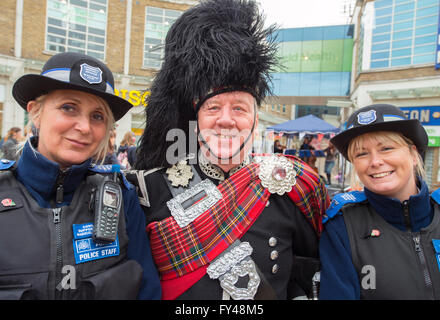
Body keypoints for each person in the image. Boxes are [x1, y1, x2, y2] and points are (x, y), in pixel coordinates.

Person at [127, 0, 330, 300]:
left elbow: (310, 269)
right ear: (196, 116)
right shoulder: (150, 187)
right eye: (213, 107)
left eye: (239, 108)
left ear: (255, 119)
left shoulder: (288, 186)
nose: (226, 119)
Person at [0, 51, 161, 300]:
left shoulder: (122, 196)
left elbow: (148, 291)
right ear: (35, 113)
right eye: (68, 107)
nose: (84, 127)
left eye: (97, 116)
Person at [319, 104, 440, 300]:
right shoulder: (342, 226)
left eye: (386, 148)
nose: (375, 161)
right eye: (361, 154)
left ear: (413, 154)